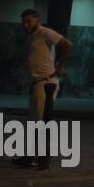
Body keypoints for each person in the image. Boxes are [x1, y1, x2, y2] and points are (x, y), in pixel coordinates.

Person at [21, 9, 72, 171]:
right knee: (35, 120)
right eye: (24, 21)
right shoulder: (31, 37)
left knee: (41, 120)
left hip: (46, 81)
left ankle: (39, 157)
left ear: (37, 20)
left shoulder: (45, 33)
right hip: (36, 82)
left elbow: (67, 44)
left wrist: (60, 66)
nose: (26, 24)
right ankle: (31, 156)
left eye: (29, 21)